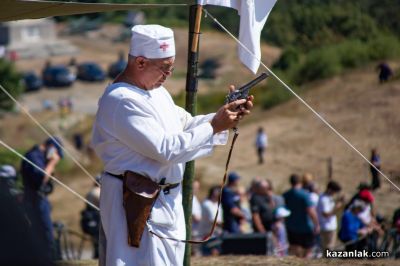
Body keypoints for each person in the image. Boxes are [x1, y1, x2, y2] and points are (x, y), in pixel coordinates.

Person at [91, 24, 254, 266]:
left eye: (171, 67)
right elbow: (167, 149)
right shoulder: (121, 100)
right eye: (164, 68)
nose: (168, 75)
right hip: (136, 202)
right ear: (141, 63)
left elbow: (186, 125)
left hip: (165, 202)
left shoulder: (158, 93)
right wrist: (214, 126)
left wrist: (224, 116)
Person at [21, 137, 63, 261]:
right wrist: (52, 163)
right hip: (35, 200)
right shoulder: (34, 156)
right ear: (51, 147)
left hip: (39, 200)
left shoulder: (39, 157)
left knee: (45, 235)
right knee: (45, 235)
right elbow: (40, 177)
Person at [283, 174, 320, 258]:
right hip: (305, 227)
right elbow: (311, 211)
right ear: (300, 182)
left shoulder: (286, 195)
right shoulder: (305, 195)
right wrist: (317, 224)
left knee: (295, 248)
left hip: (291, 226)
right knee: (308, 250)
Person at [316, 181, 344, 252]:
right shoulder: (323, 199)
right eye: (334, 191)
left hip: (330, 226)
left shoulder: (328, 197)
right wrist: (338, 206)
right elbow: (326, 214)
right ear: (329, 189)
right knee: (329, 248)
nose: (334, 194)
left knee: (330, 247)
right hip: (327, 228)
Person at [81, 175, 101, 258]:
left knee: (96, 244)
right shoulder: (97, 191)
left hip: (89, 221)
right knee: (99, 244)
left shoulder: (90, 192)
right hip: (97, 221)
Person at [199, 186, 223, 256]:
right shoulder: (207, 204)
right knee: (210, 254)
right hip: (208, 235)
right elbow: (213, 220)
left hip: (217, 234)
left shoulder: (218, 204)